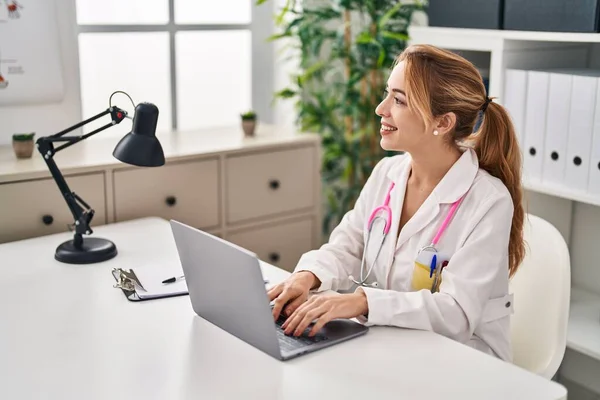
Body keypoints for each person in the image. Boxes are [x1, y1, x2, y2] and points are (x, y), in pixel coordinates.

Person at [267, 44, 525, 362]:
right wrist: (309, 275)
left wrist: (362, 302)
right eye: (388, 93)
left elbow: (456, 313)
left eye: (399, 100)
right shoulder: (388, 173)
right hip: (392, 343)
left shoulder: (489, 201)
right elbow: (348, 246)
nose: (381, 109)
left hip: (463, 358)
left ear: (442, 123)